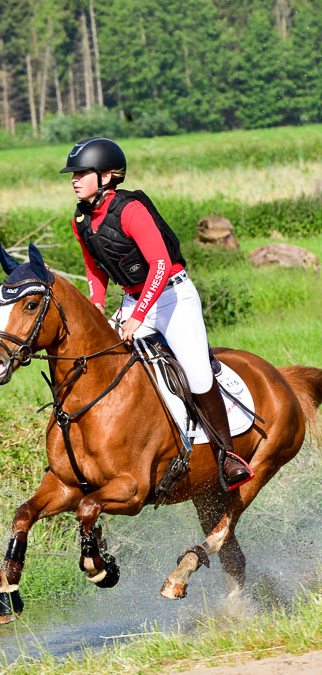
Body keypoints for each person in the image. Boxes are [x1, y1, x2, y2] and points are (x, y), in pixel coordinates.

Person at [60, 136, 251, 491]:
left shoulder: (131, 210)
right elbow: (94, 268)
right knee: (101, 361)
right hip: (134, 300)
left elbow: (160, 264)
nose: (74, 180)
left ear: (105, 177)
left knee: (196, 375)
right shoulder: (81, 219)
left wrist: (138, 316)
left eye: (81, 173)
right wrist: (97, 306)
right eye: (73, 174)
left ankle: (228, 455)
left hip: (172, 297)